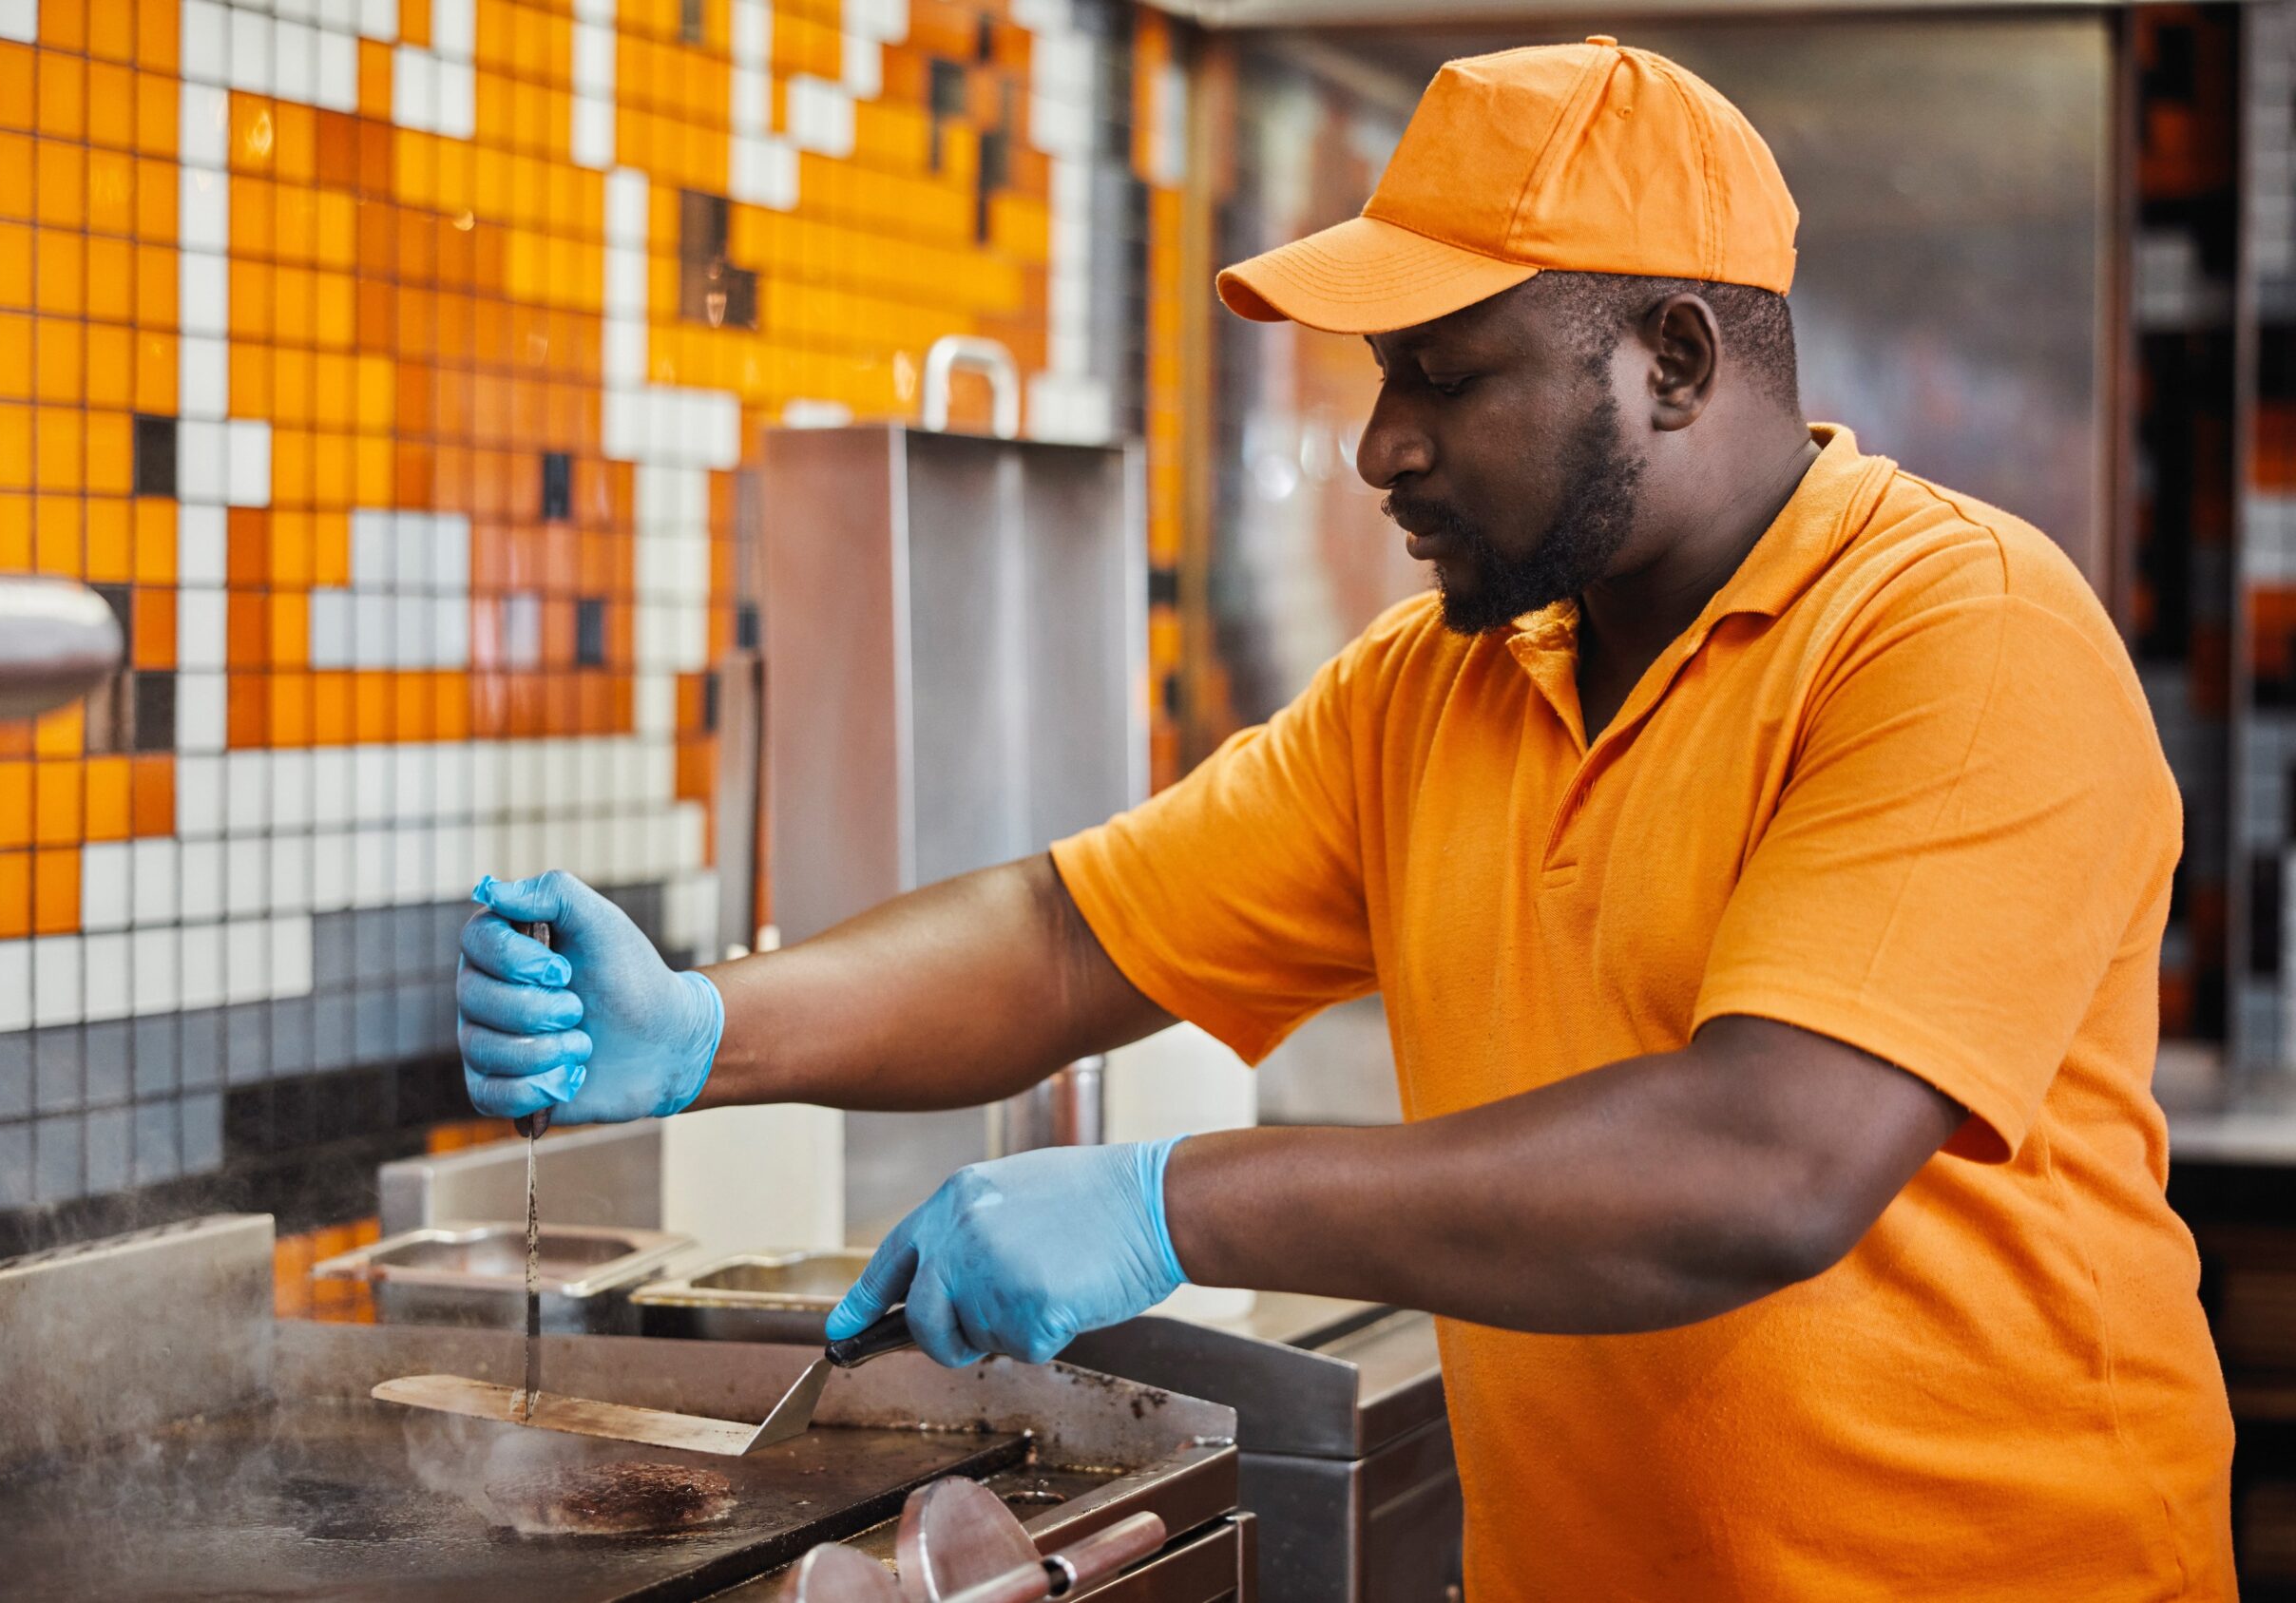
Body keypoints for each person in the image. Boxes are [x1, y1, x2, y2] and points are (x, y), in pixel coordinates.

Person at [455, 38, 2235, 1598]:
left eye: (1444, 377)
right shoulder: (1437, 686)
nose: (1382, 445)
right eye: (1384, 376)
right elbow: (1074, 938)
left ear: (1677, 361)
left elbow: (1764, 1166)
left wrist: (1169, 1203)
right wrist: (710, 1026)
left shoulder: (1958, 634)